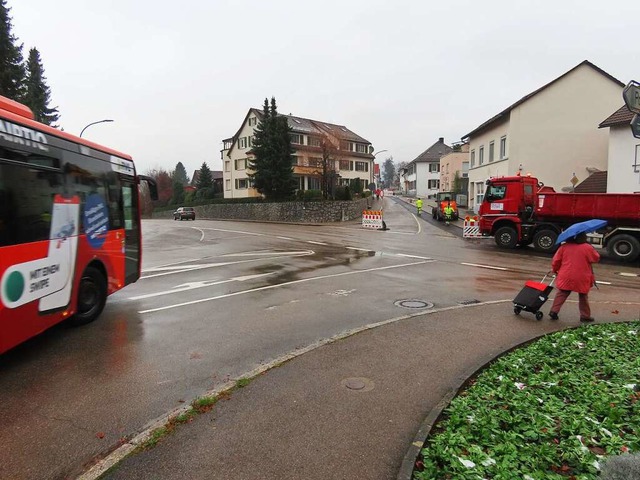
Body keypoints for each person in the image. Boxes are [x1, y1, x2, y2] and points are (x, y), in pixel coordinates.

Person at [548, 232, 600, 322]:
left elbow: (556, 261)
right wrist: (590, 247)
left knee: (562, 293)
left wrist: (555, 270)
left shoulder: (564, 247)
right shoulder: (587, 247)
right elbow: (595, 258)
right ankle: (585, 315)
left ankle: (554, 311)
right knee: (583, 296)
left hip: (566, 274)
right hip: (582, 276)